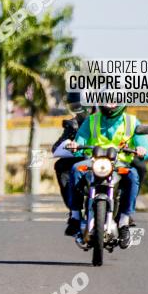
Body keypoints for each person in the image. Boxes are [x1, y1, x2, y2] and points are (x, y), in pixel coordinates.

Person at [68, 102, 148, 248]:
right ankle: (75, 216)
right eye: (107, 100)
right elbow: (80, 140)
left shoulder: (132, 122)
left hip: (119, 164)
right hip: (93, 162)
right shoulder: (92, 120)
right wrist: (75, 145)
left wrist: (141, 149)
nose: (110, 105)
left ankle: (125, 221)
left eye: (114, 101)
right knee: (75, 169)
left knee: (133, 175)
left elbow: (144, 145)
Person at [52, 92, 91, 235]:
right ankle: (73, 210)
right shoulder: (72, 124)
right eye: (74, 107)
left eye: (80, 106)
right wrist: (68, 145)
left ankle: (125, 215)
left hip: (106, 159)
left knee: (134, 168)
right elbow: (55, 147)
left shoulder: (104, 120)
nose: (78, 110)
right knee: (60, 166)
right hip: (81, 159)